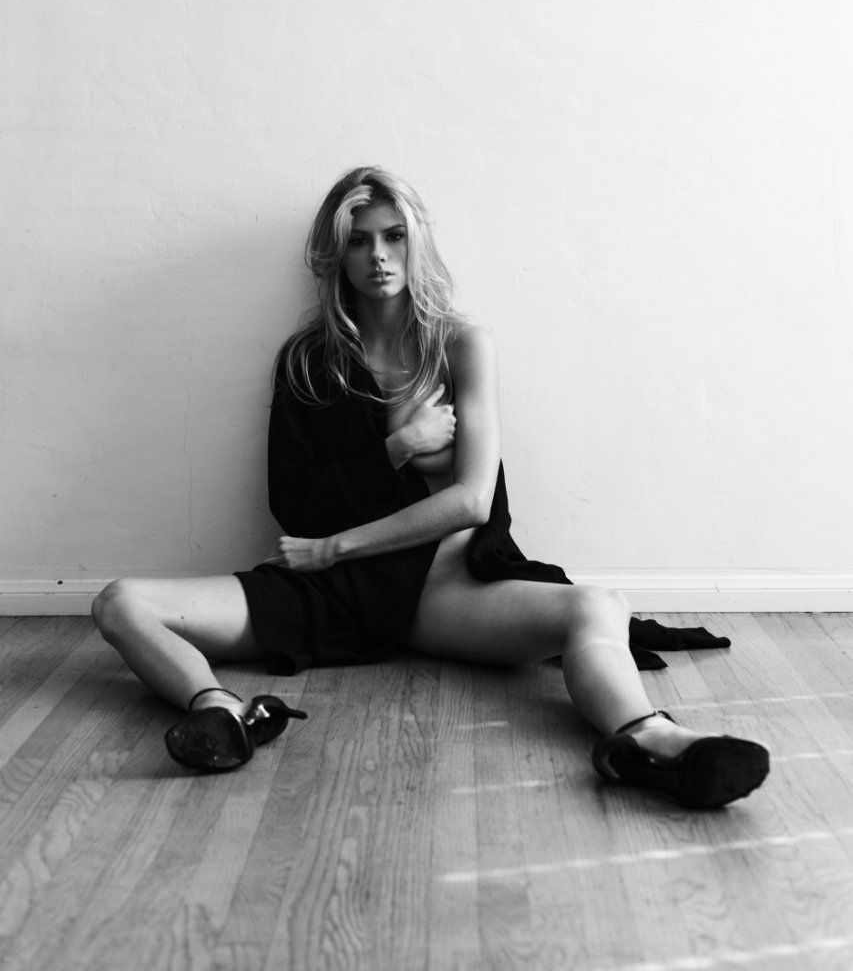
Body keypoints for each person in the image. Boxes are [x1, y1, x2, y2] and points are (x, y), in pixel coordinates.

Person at [92, 167, 769, 807]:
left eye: (394, 236)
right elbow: (293, 502)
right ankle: (224, 713)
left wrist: (333, 547)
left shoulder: (461, 345)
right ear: (336, 255)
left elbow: (471, 501)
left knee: (599, 605)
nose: (378, 256)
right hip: (342, 596)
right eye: (358, 241)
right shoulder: (307, 361)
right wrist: (396, 447)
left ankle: (648, 739)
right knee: (121, 603)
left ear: (417, 242)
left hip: (448, 595)